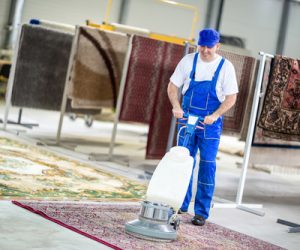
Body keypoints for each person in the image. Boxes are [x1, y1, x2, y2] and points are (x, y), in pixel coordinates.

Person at [167, 28, 238, 226]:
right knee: (183, 161)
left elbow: (232, 97)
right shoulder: (188, 61)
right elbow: (172, 86)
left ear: (218, 46)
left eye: (209, 47)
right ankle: (180, 203)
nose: (205, 50)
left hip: (210, 124)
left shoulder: (226, 67)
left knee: (207, 165)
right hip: (187, 119)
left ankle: (201, 212)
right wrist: (176, 106)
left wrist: (215, 115)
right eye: (202, 46)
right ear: (197, 44)